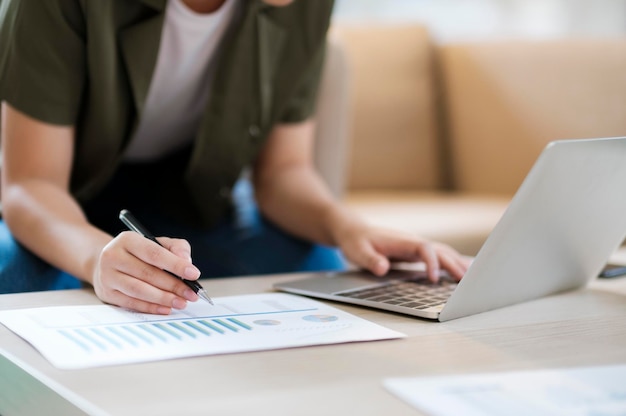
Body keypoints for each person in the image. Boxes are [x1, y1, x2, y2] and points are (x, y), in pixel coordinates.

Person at [0, 0, 470, 315]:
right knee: (18, 276)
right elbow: (29, 185)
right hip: (58, 201)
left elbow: (284, 172)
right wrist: (92, 260)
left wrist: (351, 229)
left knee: (320, 268)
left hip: (189, 200)